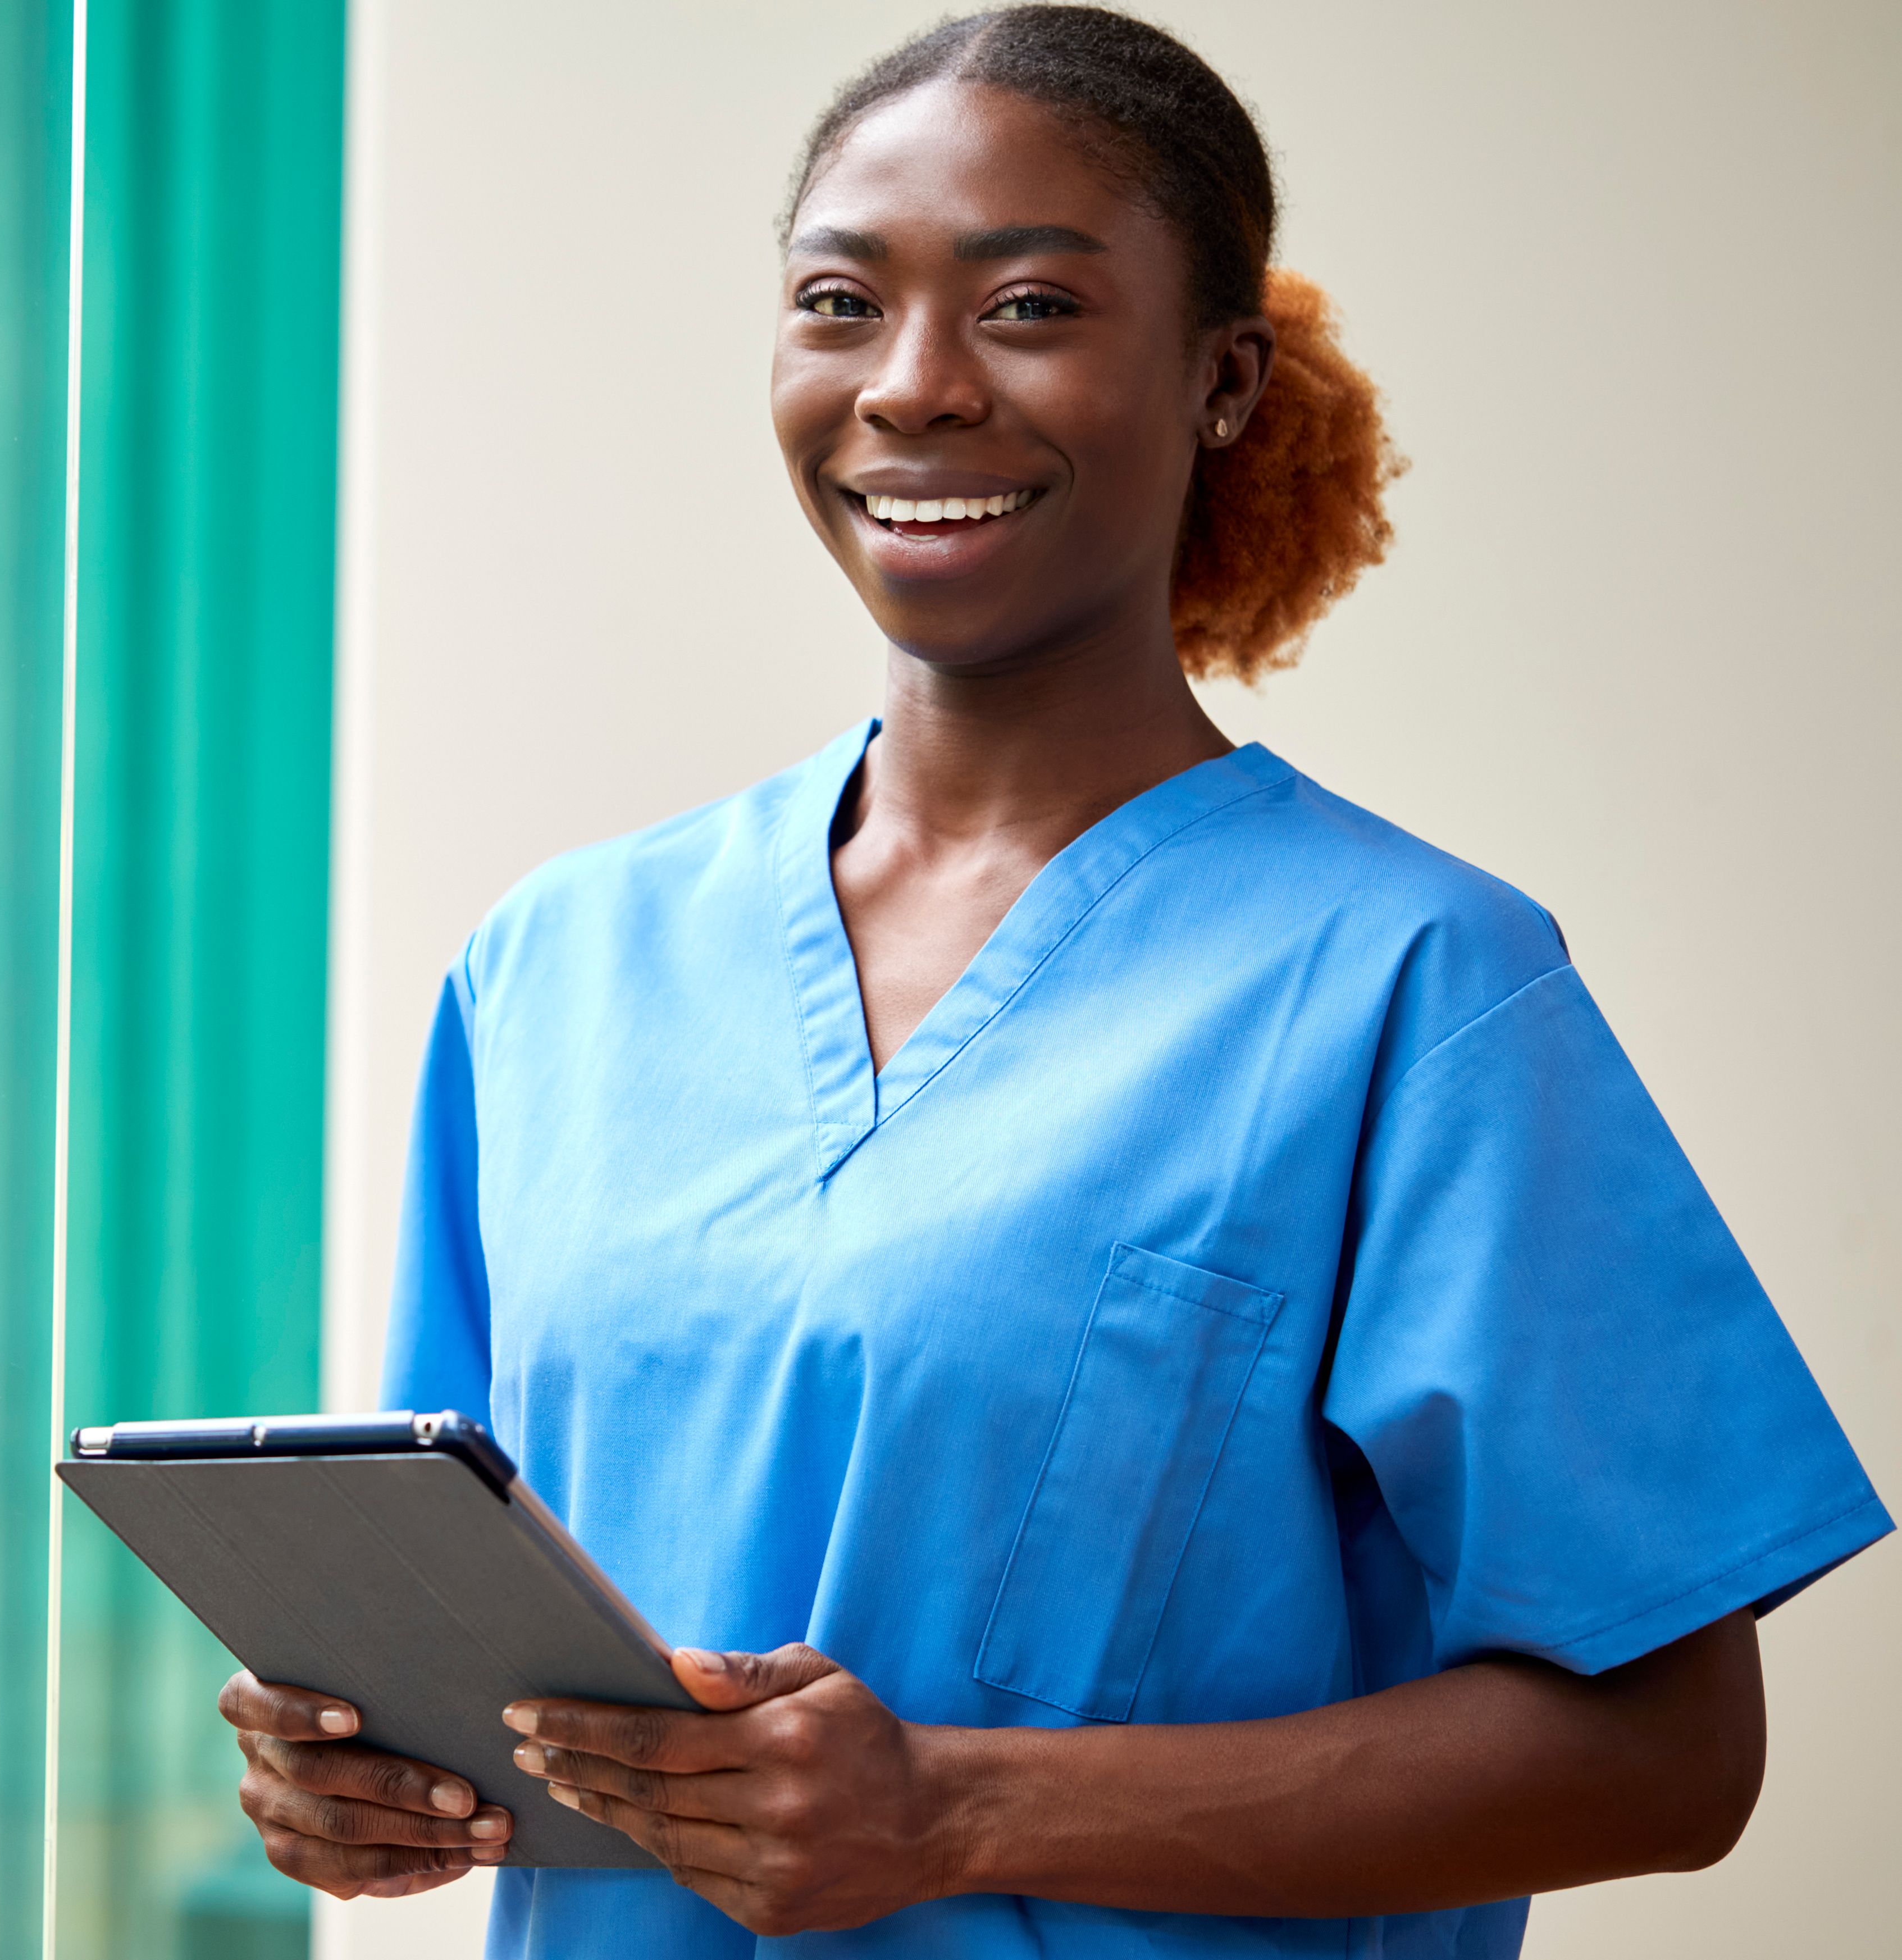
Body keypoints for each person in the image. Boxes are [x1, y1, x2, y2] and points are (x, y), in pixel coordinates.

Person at [217, 9, 1889, 1957]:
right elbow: (470, 1635)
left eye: (1026, 307)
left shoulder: (1412, 985)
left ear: (1223, 382)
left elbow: (1667, 1754)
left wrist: (953, 1808)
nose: (911, 388)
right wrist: (357, 1765)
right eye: (838, 300)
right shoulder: (555, 968)